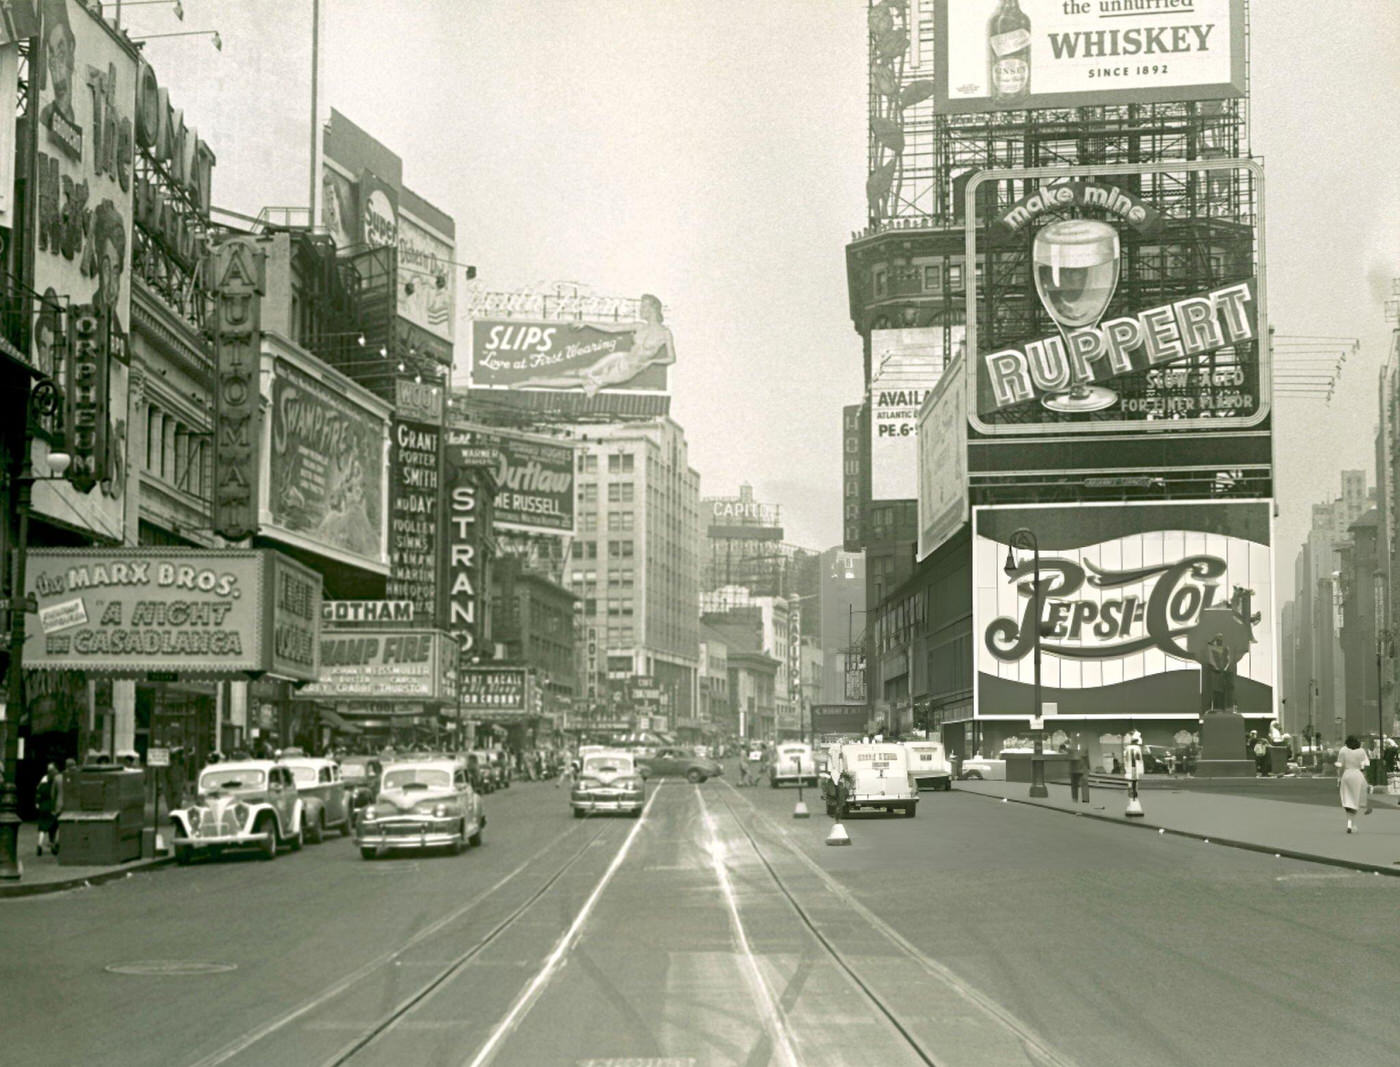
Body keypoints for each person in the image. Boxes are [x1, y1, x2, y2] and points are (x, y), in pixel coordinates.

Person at [515, 295, 676, 396]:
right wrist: (587, 323)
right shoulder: (639, 326)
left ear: (653, 308)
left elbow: (671, 358)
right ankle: (537, 378)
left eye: (644, 306)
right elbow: (612, 328)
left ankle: (530, 382)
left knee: (582, 380)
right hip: (620, 357)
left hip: (629, 370)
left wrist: (652, 361)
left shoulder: (665, 333)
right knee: (583, 372)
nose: (641, 310)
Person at [1336, 734, 1371, 833]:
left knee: (1348, 801)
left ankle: (1350, 824)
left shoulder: (1343, 750)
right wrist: (1365, 776)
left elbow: (1339, 766)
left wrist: (1338, 778)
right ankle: (1365, 807)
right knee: (1356, 799)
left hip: (1346, 775)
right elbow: (1365, 765)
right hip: (1357, 774)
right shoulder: (1361, 751)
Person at [35, 763, 60, 857]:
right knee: (54, 827)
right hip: (51, 807)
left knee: (42, 828)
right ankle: (53, 845)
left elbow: (38, 792)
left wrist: (37, 803)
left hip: (42, 807)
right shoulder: (55, 783)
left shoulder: (43, 783)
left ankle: (39, 844)